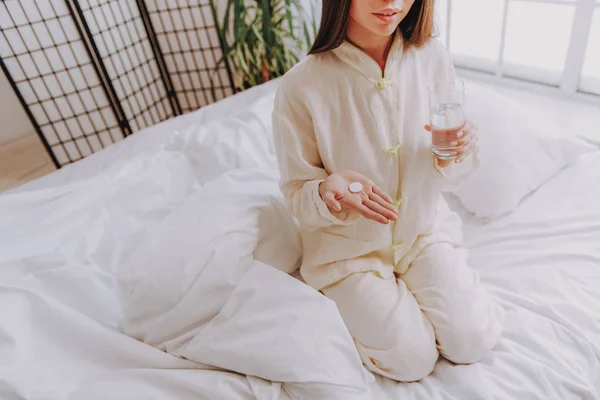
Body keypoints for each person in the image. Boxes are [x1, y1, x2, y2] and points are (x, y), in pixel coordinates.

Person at [271, 0, 504, 382]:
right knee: (410, 360)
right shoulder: (302, 85)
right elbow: (297, 193)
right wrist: (328, 191)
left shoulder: (432, 57)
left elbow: (451, 170)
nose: (391, 3)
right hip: (348, 251)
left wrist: (458, 151)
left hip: (423, 232)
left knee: (472, 340)